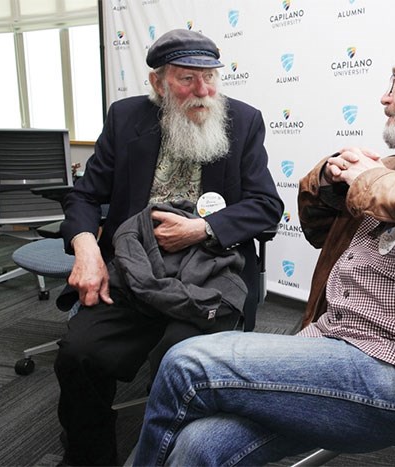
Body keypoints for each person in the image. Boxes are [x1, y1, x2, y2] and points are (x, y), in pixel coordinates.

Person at [132, 35, 395, 466]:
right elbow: (318, 231)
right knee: (198, 447)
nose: (385, 96)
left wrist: (373, 181)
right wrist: (328, 182)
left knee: (186, 363)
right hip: (333, 343)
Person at [54, 29, 283, 466]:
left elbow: (266, 206)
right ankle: (89, 456)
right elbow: (84, 196)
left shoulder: (244, 121)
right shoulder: (126, 119)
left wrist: (202, 230)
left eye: (210, 77)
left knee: (181, 361)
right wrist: (87, 249)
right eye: (186, 79)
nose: (202, 91)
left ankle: (171, 456)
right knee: (78, 355)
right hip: (133, 266)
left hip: (209, 270)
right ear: (158, 83)